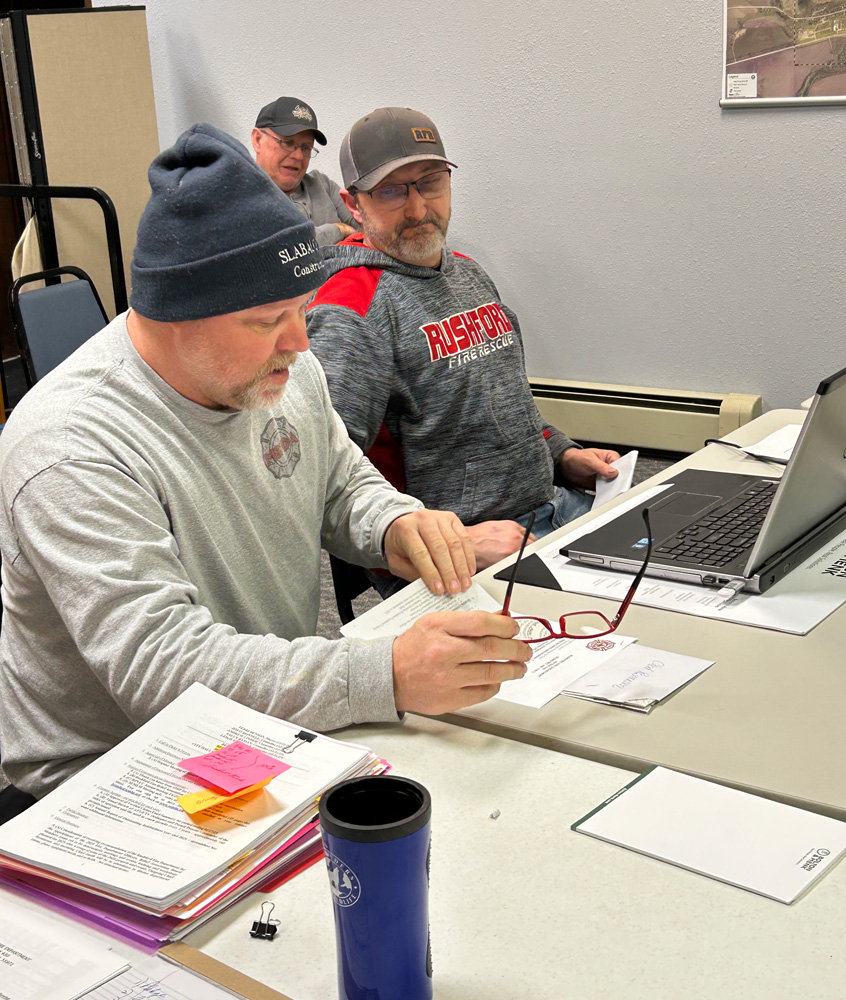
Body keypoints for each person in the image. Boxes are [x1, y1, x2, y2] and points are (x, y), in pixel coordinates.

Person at [0, 123, 531, 804]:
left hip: (255, 734)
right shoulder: (71, 448)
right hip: (106, 780)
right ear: (171, 317)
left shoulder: (282, 368)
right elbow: (161, 668)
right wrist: (385, 674)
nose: (299, 341)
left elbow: (338, 478)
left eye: (300, 310)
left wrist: (396, 524)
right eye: (265, 321)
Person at [306, 107, 620, 585]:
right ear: (354, 205)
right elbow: (323, 477)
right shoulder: (351, 309)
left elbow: (504, 409)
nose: (417, 209)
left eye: (430, 182)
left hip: (551, 512)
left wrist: (561, 454)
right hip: (464, 561)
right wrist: (456, 545)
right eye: (391, 191)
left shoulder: (466, 273)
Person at [252, 96, 360, 248]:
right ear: (257, 140)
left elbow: (368, 228)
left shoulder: (322, 184)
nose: (298, 156)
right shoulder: (242, 194)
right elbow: (282, 248)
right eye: (288, 143)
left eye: (306, 148)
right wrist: (339, 230)